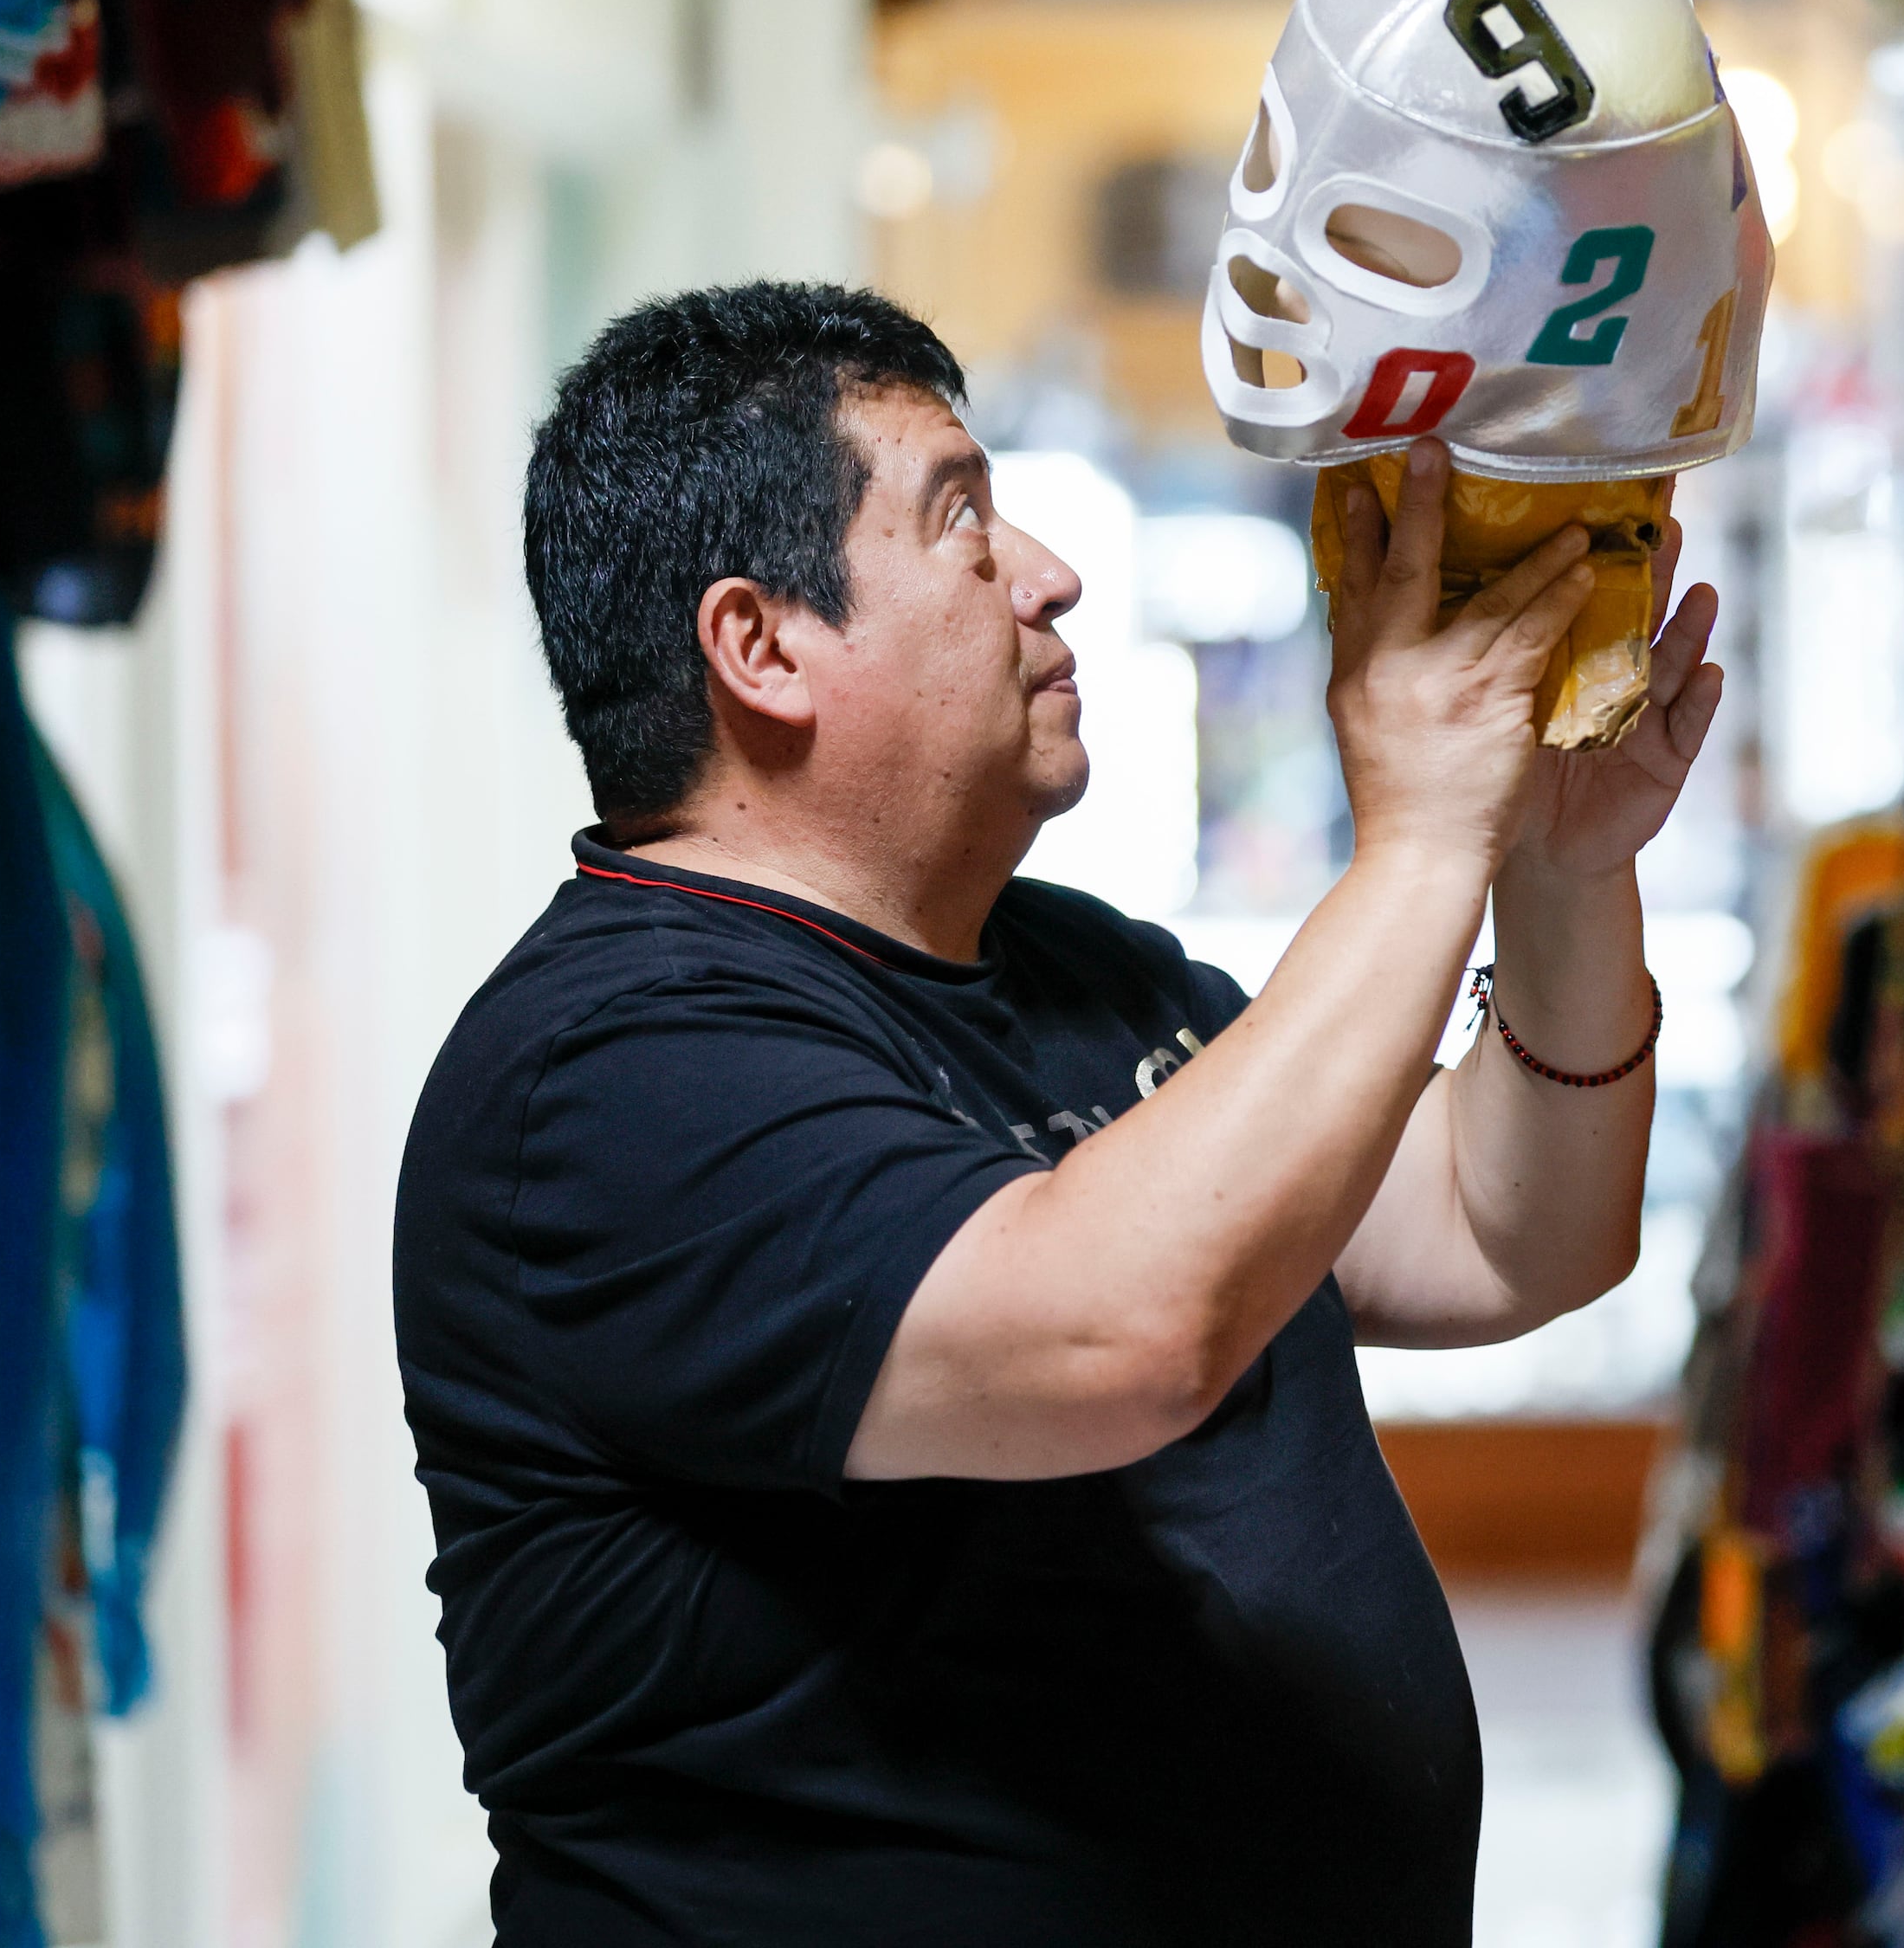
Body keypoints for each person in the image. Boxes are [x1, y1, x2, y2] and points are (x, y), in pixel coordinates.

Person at [392, 281, 1724, 1944]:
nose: (1050, 575)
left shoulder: (1074, 966)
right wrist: (1421, 845)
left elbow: (1506, 1233)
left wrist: (1552, 866)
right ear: (764, 647)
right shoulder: (609, 1076)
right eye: (963, 522)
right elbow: (1125, 1338)